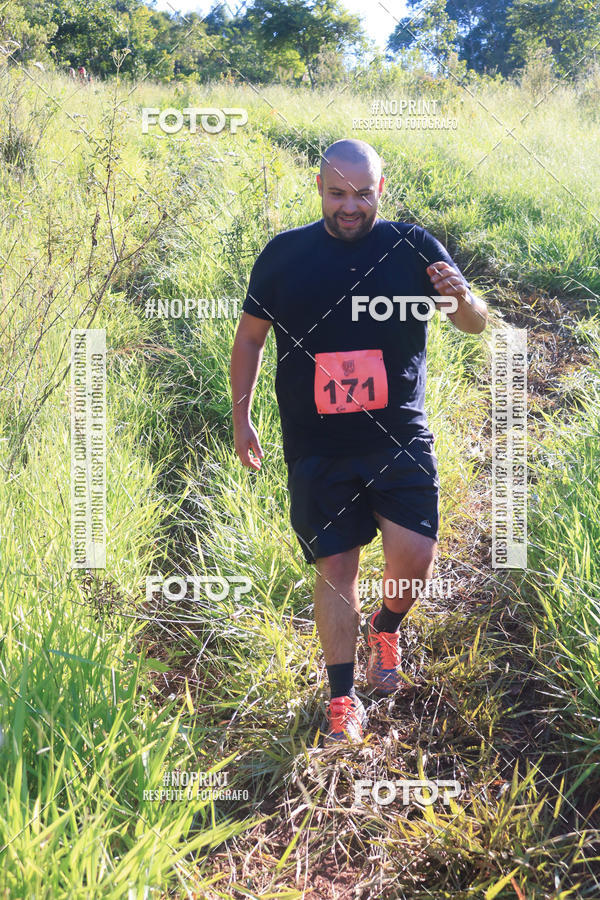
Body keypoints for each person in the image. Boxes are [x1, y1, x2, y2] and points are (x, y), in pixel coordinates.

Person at [230, 139, 488, 743]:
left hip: (398, 432)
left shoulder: (413, 247)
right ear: (319, 187)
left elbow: (474, 324)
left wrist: (462, 298)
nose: (351, 206)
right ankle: (342, 697)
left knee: (413, 557)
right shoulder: (284, 255)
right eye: (338, 193)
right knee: (336, 566)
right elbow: (249, 341)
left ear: (381, 189)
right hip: (316, 441)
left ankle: (388, 625)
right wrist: (242, 417)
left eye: (363, 194)